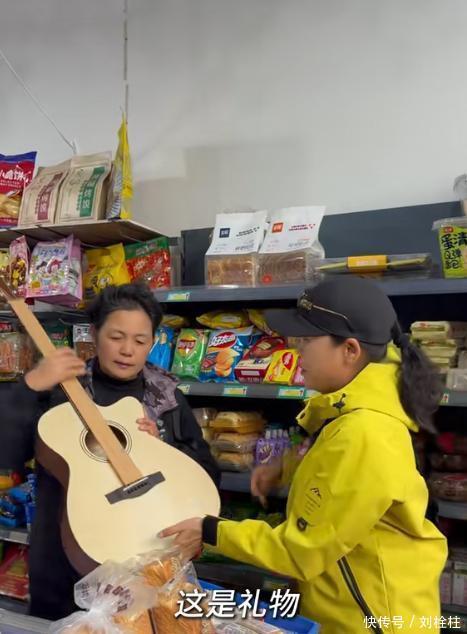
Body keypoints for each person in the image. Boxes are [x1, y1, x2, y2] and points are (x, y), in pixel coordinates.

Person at [161, 277, 448, 634]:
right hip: (349, 608)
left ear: (350, 350)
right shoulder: (355, 410)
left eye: (307, 341)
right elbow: (339, 469)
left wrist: (210, 530)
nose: (296, 352)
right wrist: (289, 467)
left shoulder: (364, 434)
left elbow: (301, 551)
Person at [0, 282, 219, 621]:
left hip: (153, 570)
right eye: (116, 337)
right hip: (65, 571)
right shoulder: (58, 390)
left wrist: (165, 448)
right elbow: (6, 453)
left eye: (140, 341)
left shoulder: (167, 399)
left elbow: (207, 475)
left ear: (152, 343)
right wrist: (30, 386)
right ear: (94, 334)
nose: (127, 350)